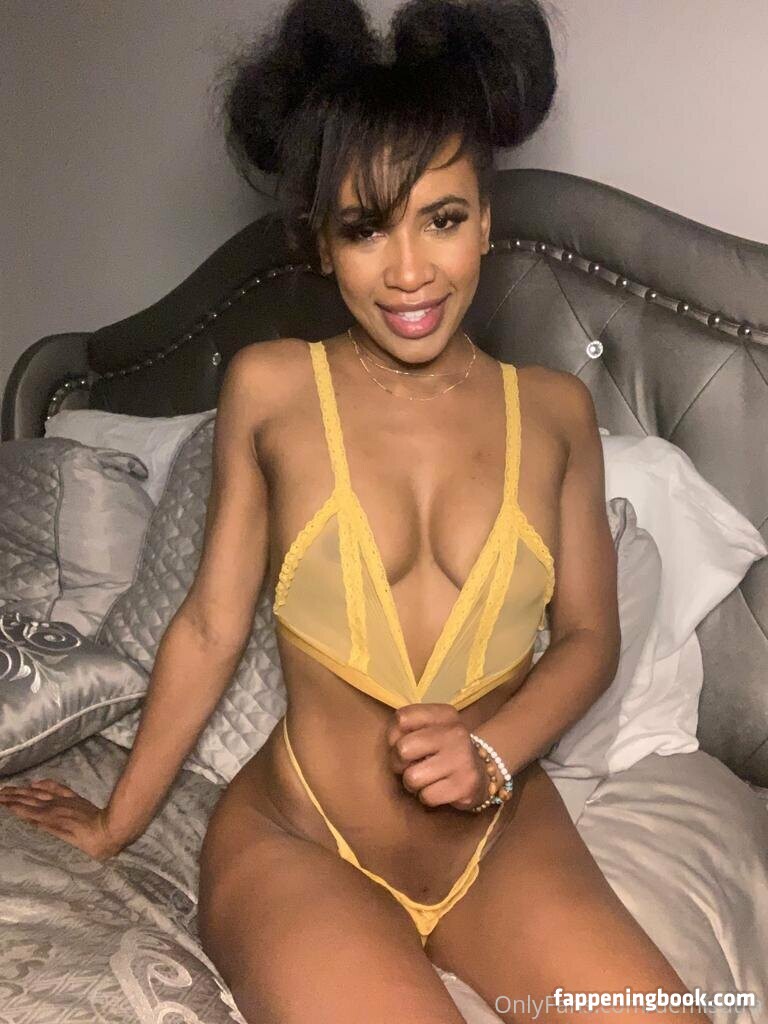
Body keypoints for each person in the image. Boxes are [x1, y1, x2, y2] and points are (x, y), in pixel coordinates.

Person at [0, 2, 713, 1022]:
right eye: (366, 227)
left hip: (498, 837)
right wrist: (117, 822)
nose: (410, 270)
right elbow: (209, 626)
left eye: (443, 219)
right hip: (302, 840)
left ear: (487, 221)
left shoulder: (557, 414)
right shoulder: (271, 388)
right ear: (323, 245)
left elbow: (590, 638)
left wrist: (494, 751)